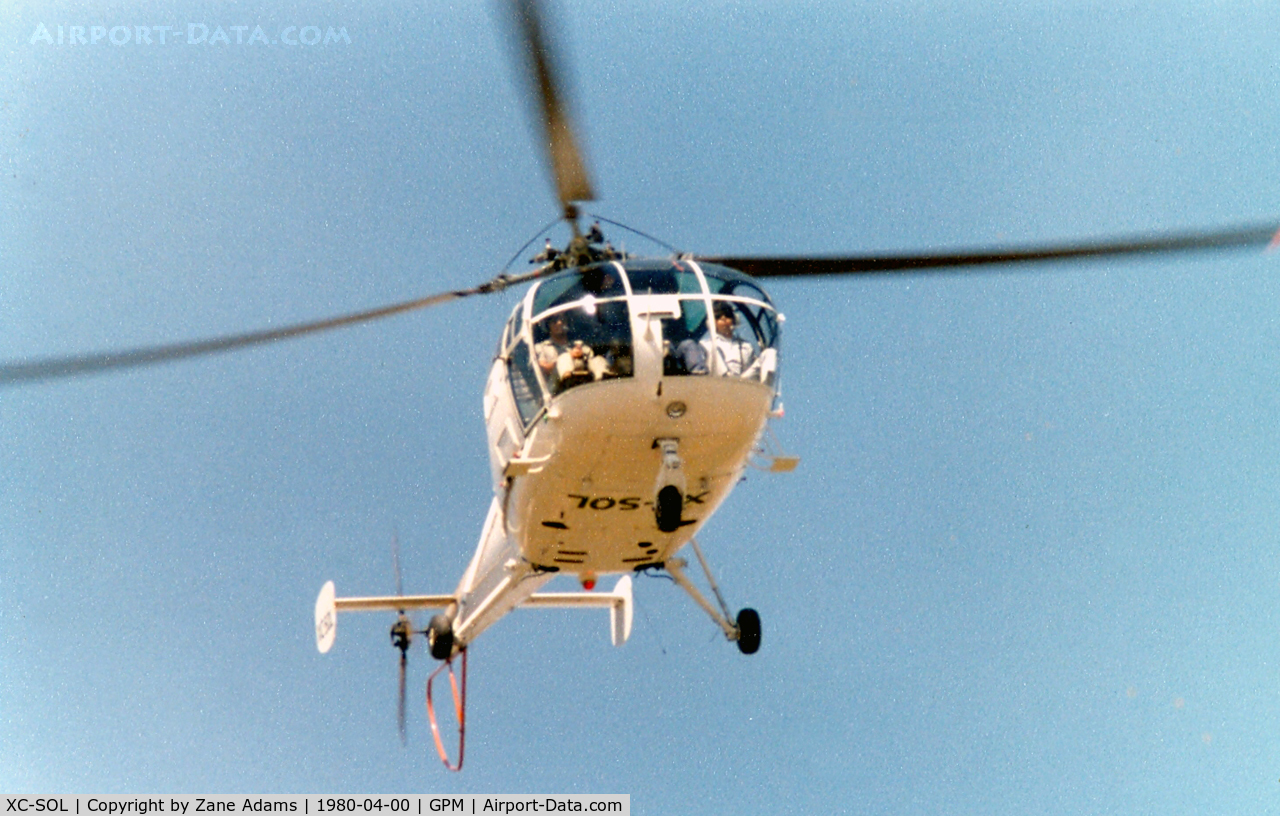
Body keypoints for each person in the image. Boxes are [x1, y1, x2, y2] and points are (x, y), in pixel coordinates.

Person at [704, 302, 758, 378]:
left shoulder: (746, 346)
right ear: (711, 322)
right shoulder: (706, 345)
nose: (723, 318)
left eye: (727, 315)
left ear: (734, 319)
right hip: (718, 382)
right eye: (718, 316)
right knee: (712, 349)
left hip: (742, 381)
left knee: (769, 353)